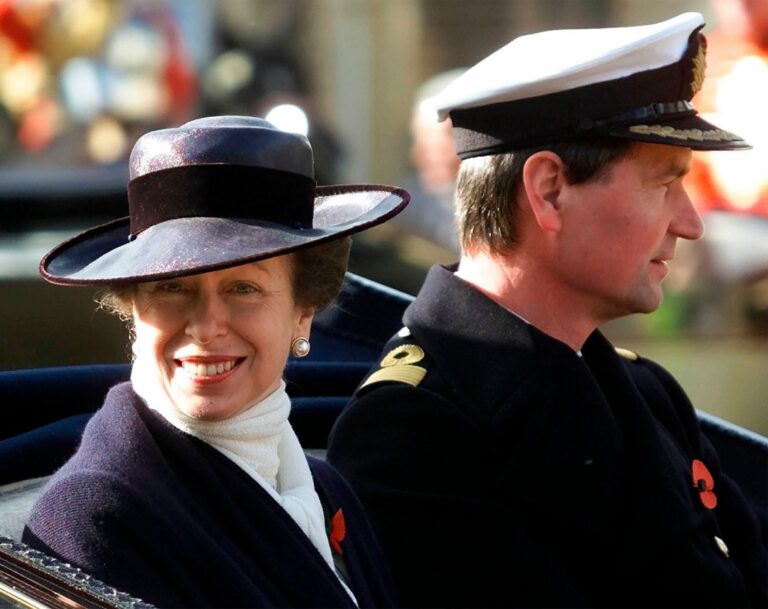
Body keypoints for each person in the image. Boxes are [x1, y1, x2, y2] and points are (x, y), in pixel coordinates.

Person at [327, 12, 768, 608]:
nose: (690, 224)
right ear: (550, 191)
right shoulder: (412, 429)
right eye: (664, 184)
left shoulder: (645, 392)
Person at [22, 115, 409, 608]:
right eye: (172, 287)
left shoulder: (325, 488)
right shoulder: (97, 512)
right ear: (134, 310)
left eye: (243, 288)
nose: (206, 326)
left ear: (303, 312)